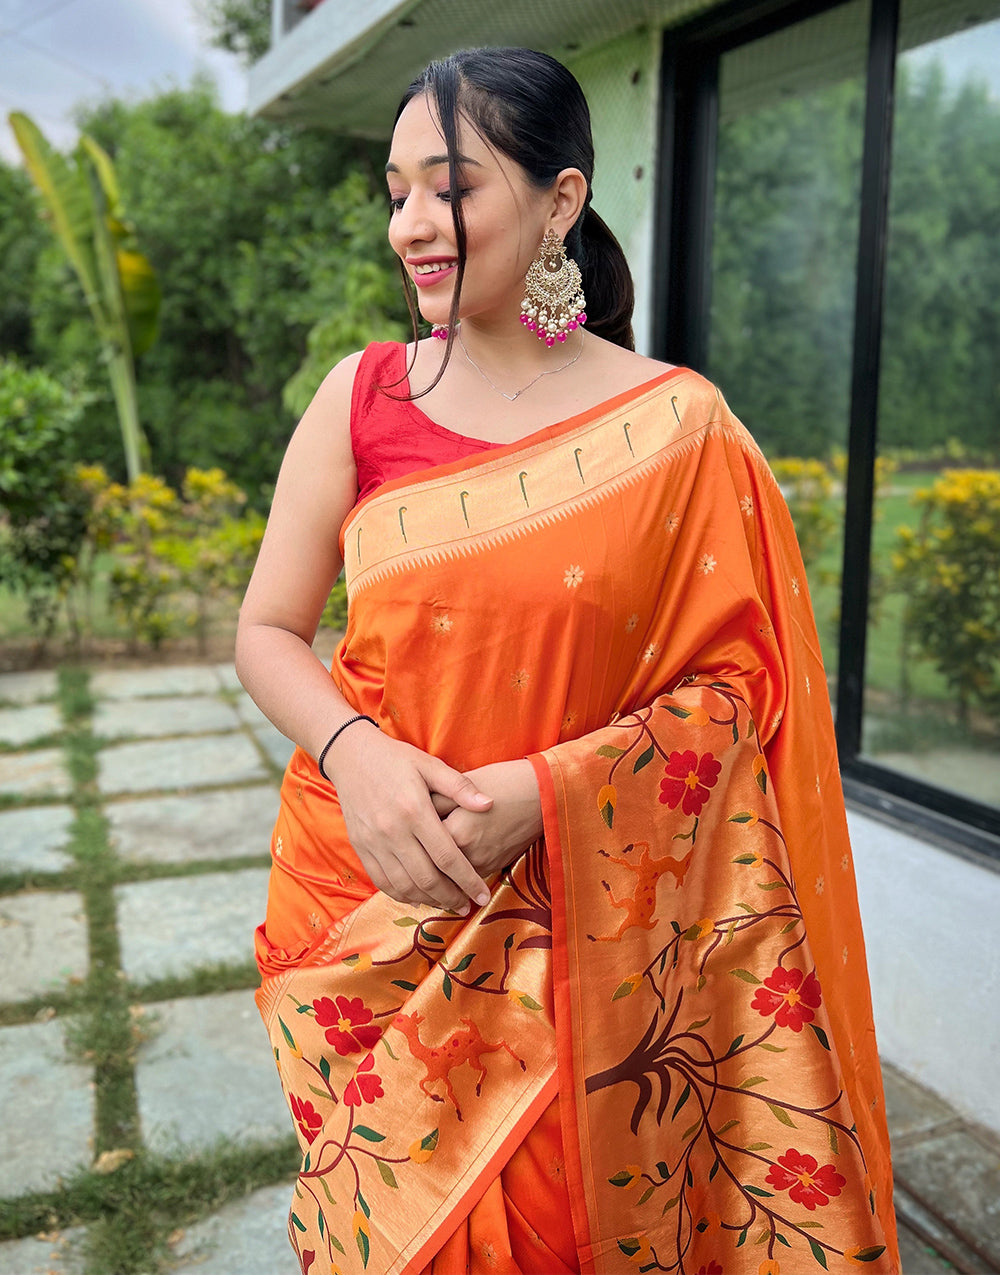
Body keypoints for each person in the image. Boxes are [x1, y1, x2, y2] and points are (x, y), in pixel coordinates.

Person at [236, 47, 900, 1275]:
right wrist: (360, 755)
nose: (414, 228)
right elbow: (268, 631)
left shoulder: (674, 428)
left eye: (452, 188)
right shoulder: (360, 395)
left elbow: (735, 700)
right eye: (396, 194)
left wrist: (546, 796)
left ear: (559, 201)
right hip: (368, 910)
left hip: (590, 949)